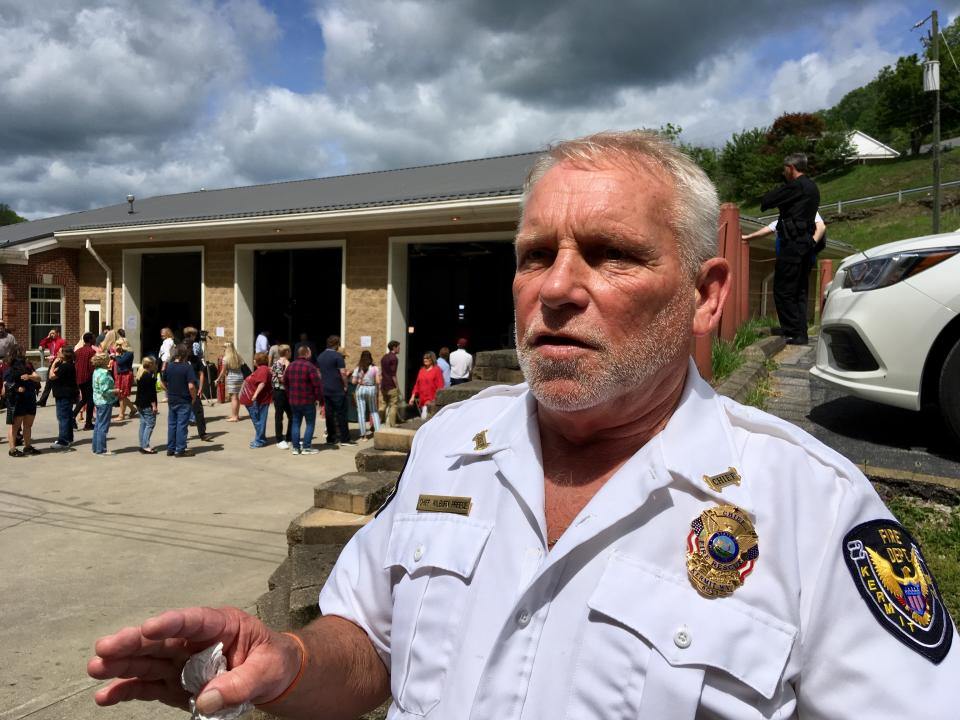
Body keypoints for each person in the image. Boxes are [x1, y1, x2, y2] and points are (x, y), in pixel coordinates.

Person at [88, 131, 959, 718]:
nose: (555, 287)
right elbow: (369, 637)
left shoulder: (813, 507)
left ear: (706, 294)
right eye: (536, 255)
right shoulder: (448, 448)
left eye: (611, 253)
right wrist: (287, 661)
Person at [760, 153, 820, 345]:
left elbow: (767, 201)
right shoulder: (813, 187)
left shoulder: (796, 186)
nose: (782, 171)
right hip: (806, 245)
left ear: (791, 168)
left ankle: (792, 332)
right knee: (799, 290)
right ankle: (800, 332)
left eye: (784, 168)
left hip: (792, 245)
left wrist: (782, 190)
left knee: (784, 289)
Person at [284, 345, 322, 455]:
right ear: (307, 354)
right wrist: (319, 398)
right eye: (309, 353)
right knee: (310, 423)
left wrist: (289, 395)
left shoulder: (291, 366)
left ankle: (296, 448)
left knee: (295, 422)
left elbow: (285, 382)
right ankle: (306, 447)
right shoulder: (310, 367)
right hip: (308, 400)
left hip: (294, 400)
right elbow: (317, 385)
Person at [161, 344, 197, 457]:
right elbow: (191, 386)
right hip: (184, 399)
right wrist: (194, 397)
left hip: (172, 398)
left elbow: (162, 382)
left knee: (172, 424)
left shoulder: (169, 366)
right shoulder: (187, 367)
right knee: (182, 425)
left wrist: (169, 390)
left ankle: (170, 448)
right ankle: (180, 449)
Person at [4, 345, 41, 457]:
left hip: (29, 398)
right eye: (22, 352)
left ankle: (28, 447)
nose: (25, 355)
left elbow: (38, 378)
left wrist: (29, 376)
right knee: (15, 426)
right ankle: (12, 449)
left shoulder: (28, 367)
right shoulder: (9, 369)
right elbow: (6, 385)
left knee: (28, 425)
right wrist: (16, 388)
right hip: (17, 400)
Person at [317, 335, 353, 446]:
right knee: (341, 414)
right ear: (337, 344)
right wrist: (346, 385)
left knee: (329, 414)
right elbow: (343, 373)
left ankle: (331, 439)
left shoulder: (320, 356)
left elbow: (318, 373)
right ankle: (345, 439)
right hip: (337, 389)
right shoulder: (338, 356)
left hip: (325, 389)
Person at [47, 346, 78, 450]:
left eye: (60, 352)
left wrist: (53, 364)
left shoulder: (65, 366)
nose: (57, 353)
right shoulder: (67, 365)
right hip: (67, 394)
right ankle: (68, 438)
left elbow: (51, 376)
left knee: (62, 418)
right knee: (67, 417)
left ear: (65, 355)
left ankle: (63, 441)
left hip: (63, 395)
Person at [242, 351, 272, 449]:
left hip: (260, 400)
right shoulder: (259, 369)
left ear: (257, 360)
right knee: (257, 420)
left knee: (259, 420)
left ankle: (259, 440)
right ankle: (261, 438)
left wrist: (255, 395)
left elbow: (262, 383)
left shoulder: (263, 369)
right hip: (254, 400)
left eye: (254, 359)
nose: (253, 360)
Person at [90, 352, 117, 456]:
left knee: (98, 425)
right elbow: (105, 390)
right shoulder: (104, 373)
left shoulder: (96, 371)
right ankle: (101, 449)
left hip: (97, 400)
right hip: (104, 401)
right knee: (103, 426)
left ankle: (96, 448)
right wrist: (115, 390)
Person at [186, 342, 213, 443]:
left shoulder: (195, 359)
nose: (189, 351)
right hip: (182, 390)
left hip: (194, 388)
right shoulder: (178, 359)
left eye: (190, 349)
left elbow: (201, 373)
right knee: (182, 414)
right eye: (188, 349)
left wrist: (201, 388)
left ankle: (203, 433)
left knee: (198, 411)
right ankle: (179, 436)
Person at [351, 350, 381, 438]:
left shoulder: (358, 368)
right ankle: (378, 432)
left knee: (361, 412)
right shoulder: (375, 368)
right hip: (371, 389)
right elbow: (378, 381)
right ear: (370, 357)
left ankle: (363, 435)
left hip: (361, 389)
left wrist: (359, 381)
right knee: (374, 411)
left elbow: (353, 381)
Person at [134, 357, 159, 454]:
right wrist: (154, 406)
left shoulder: (141, 374)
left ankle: (142, 444)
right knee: (150, 424)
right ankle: (145, 445)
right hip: (147, 403)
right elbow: (151, 393)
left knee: (143, 423)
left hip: (140, 403)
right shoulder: (148, 376)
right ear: (151, 365)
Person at [409, 350, 444, 419]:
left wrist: (436, 400)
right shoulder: (421, 370)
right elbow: (417, 385)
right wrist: (412, 397)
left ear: (432, 359)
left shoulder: (437, 370)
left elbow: (440, 386)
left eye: (427, 358)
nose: (425, 360)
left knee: (424, 418)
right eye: (424, 358)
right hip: (422, 400)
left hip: (431, 400)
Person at [73, 332, 97, 431]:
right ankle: (88, 423)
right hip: (88, 378)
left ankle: (72, 415)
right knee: (90, 401)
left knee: (84, 399)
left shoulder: (78, 351)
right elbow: (92, 367)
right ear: (90, 340)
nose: (95, 340)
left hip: (79, 378)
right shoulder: (91, 351)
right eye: (94, 338)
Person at [215, 342, 245, 422]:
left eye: (224, 347)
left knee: (233, 398)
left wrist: (218, 379)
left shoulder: (226, 358)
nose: (223, 349)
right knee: (236, 397)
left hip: (232, 378)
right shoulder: (238, 356)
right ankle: (236, 415)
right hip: (239, 377)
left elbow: (223, 371)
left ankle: (234, 416)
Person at [271, 344, 294, 449]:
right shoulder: (277, 364)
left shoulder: (288, 363)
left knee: (292, 415)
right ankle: (279, 439)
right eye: (290, 351)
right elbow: (282, 379)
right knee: (279, 416)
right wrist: (288, 367)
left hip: (288, 392)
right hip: (279, 392)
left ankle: (290, 438)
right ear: (287, 352)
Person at [37, 328, 66, 406]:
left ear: (57, 333)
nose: (52, 335)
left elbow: (63, 352)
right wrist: (47, 337)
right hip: (52, 363)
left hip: (58, 362)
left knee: (55, 382)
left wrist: (54, 357)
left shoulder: (61, 341)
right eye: (51, 333)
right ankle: (42, 401)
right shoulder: (50, 341)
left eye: (53, 333)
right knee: (49, 382)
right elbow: (41, 344)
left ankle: (44, 400)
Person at [111, 338, 136, 421]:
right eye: (117, 344)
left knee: (122, 395)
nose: (118, 346)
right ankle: (133, 409)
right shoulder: (122, 353)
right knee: (121, 395)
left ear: (124, 344)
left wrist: (117, 355)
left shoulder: (129, 353)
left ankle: (121, 415)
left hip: (126, 375)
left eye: (119, 344)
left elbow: (121, 362)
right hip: (120, 374)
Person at [379, 340, 401, 427]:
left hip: (384, 384)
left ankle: (378, 421)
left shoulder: (384, 357)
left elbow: (382, 372)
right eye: (398, 347)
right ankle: (392, 424)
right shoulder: (394, 358)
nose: (399, 349)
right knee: (393, 405)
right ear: (394, 347)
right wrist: (397, 386)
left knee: (384, 403)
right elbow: (393, 374)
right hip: (391, 385)